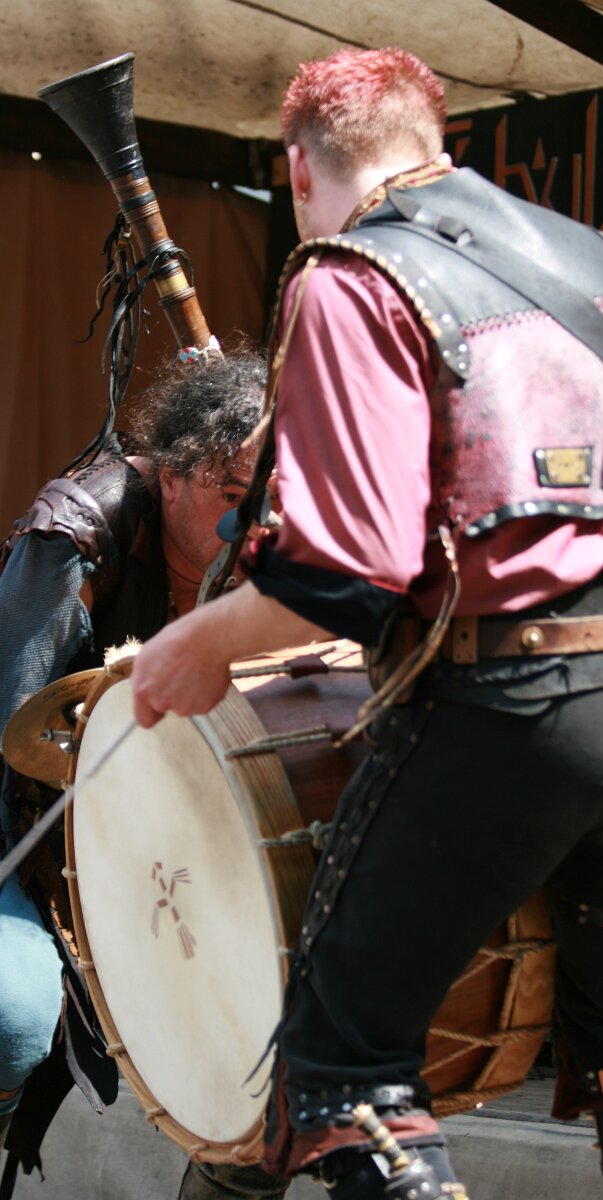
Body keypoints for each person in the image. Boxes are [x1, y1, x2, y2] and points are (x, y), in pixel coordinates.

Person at [130, 47, 603, 1200]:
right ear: (431, 139)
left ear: (295, 170)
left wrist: (194, 645)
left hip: (518, 706)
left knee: (342, 1070)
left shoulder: (349, 274)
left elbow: (345, 572)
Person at [0, 349, 289, 1200]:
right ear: (168, 478)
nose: (252, 522)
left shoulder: (281, 553)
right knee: (11, 1013)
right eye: (229, 495)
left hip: (187, 850)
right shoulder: (74, 538)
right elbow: (7, 736)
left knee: (282, 1038)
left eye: (267, 498)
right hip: (37, 837)